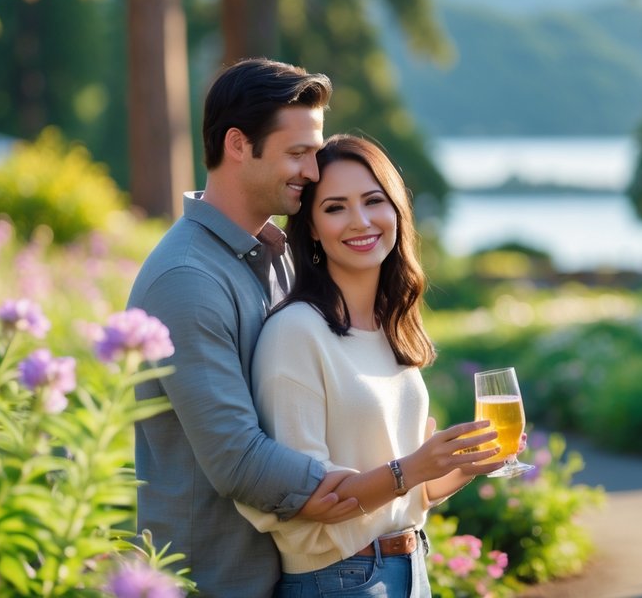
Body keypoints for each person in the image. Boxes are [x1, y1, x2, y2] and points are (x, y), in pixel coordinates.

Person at [128, 59, 367, 597]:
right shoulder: (187, 280)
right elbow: (237, 458)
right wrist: (384, 485)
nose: (313, 170)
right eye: (298, 153)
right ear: (239, 145)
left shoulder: (274, 253)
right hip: (214, 581)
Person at [236, 135, 511, 597]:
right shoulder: (295, 333)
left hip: (410, 566)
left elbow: (412, 493)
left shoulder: (390, 328)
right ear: (312, 229)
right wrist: (414, 466)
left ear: (397, 211)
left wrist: (466, 464)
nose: (360, 221)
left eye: (373, 201)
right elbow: (306, 498)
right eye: (336, 207)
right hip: (338, 579)